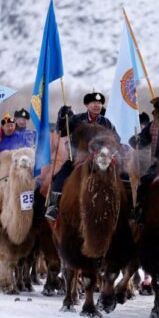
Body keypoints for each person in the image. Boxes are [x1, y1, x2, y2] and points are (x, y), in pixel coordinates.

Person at [45, 91, 117, 221]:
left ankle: (126, 210)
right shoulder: (76, 119)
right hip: (77, 159)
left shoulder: (107, 123)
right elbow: (62, 132)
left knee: (123, 178)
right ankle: (54, 206)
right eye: (94, 103)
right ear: (86, 105)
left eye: (100, 103)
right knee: (58, 179)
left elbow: (116, 140)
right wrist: (62, 117)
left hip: (101, 161)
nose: (97, 106)